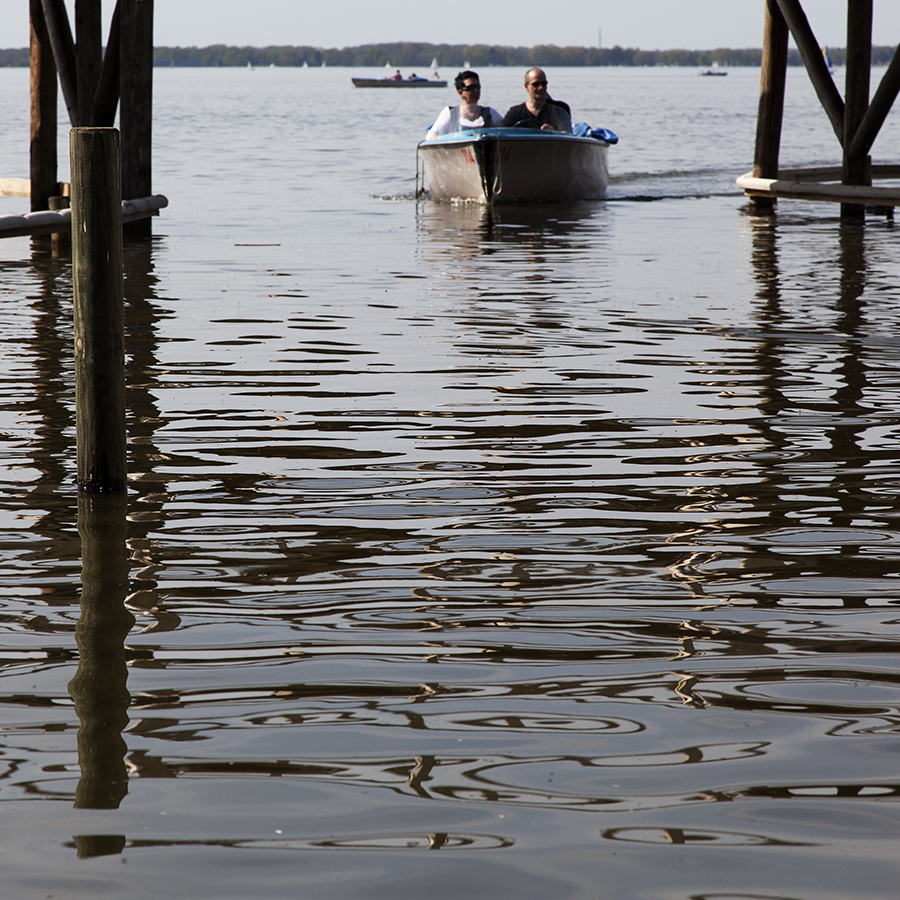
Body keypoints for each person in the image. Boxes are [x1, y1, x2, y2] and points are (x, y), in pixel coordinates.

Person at [425, 70, 502, 140]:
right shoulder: (450, 113)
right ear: (460, 92)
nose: (476, 91)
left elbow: (507, 130)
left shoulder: (490, 113)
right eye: (471, 88)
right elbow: (430, 135)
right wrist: (443, 139)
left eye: (478, 87)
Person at [500, 68, 572, 132]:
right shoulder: (515, 112)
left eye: (544, 84)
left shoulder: (560, 109)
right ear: (526, 86)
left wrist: (553, 132)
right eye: (536, 84)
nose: (540, 87)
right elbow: (502, 133)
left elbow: (566, 133)